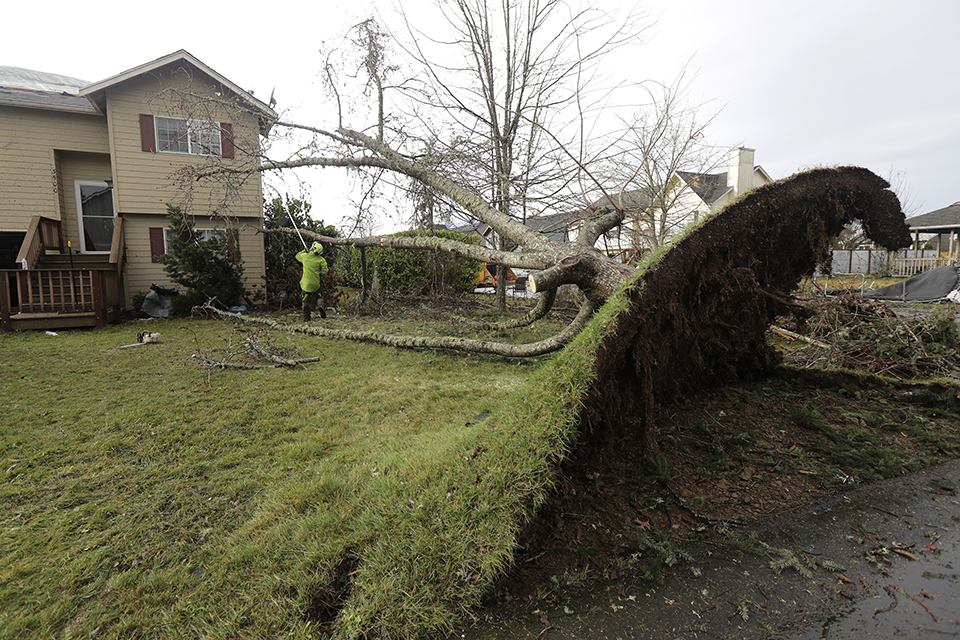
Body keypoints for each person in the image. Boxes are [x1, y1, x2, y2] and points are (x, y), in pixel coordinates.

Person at [296, 241, 329, 321]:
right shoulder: (321, 260)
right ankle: (320, 305)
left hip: (306, 284)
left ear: (312, 248)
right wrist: (320, 273)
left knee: (306, 300)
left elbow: (297, 256)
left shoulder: (305, 257)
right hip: (316, 283)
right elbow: (325, 271)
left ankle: (307, 317)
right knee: (319, 295)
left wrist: (304, 250)